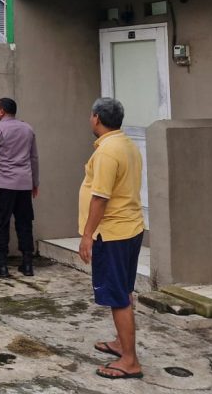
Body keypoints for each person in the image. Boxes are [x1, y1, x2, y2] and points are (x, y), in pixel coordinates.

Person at [78, 97, 145, 381]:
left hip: (113, 233)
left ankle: (130, 360)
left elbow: (100, 197)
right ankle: (121, 343)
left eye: (91, 115)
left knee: (117, 297)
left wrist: (87, 235)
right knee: (124, 292)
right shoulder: (127, 144)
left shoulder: (108, 151)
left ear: (96, 118)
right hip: (130, 228)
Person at [0, 97, 39, 278]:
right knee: (24, 222)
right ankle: (28, 264)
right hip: (24, 184)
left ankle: (1, 265)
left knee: (0, 223)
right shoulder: (28, 129)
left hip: (3, 184)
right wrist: (35, 183)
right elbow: (33, 158)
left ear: (1, 111)